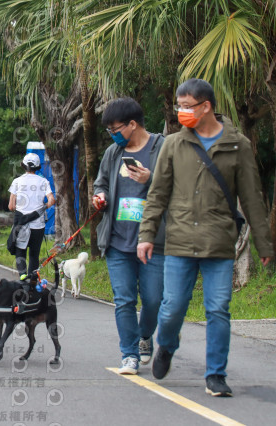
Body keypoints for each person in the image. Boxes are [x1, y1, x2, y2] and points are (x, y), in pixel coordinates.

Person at [138, 79, 273, 397]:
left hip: (219, 242)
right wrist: (146, 235)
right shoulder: (173, 144)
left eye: (186, 106)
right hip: (180, 241)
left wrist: (264, 243)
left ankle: (216, 375)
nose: (181, 112)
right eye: (179, 106)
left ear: (206, 106)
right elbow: (157, 194)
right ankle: (167, 345)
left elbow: (252, 197)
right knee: (172, 309)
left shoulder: (238, 145)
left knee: (218, 309)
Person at [93, 97, 166, 375]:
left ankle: (145, 335)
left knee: (153, 300)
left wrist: (151, 179)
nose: (112, 134)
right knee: (124, 300)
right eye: (108, 130)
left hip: (154, 241)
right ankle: (129, 354)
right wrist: (99, 195)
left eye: (115, 128)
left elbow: (178, 184)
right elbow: (101, 181)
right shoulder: (113, 153)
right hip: (117, 240)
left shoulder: (163, 148)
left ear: (133, 124)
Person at [8, 153, 55, 277]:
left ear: (23, 165)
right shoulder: (44, 181)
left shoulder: (17, 181)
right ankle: (32, 280)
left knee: (20, 250)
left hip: (21, 224)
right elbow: (51, 200)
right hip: (37, 226)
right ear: (37, 167)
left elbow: (11, 206)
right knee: (34, 254)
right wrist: (42, 208)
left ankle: (22, 275)